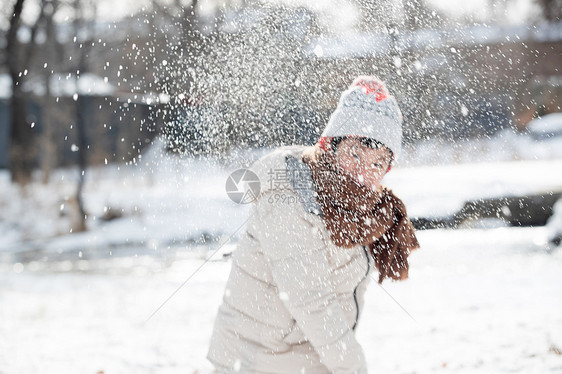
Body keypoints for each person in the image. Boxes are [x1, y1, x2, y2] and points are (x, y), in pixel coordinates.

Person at [207, 76, 420, 374]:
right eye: (355, 154)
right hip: (257, 362)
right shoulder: (289, 197)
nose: (363, 174)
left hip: (307, 361)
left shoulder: (369, 210)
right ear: (329, 145)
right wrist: (353, 367)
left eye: (377, 164)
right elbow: (312, 302)